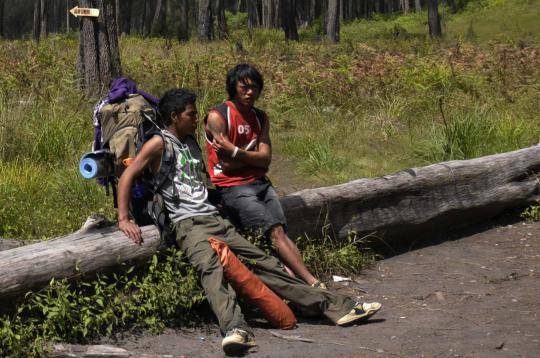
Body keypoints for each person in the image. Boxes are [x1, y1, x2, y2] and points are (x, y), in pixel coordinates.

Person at [117, 88, 381, 355]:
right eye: (191, 114)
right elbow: (129, 175)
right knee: (211, 270)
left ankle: (340, 307)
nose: (196, 118)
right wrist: (124, 218)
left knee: (265, 264)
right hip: (188, 224)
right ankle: (236, 330)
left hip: (214, 218)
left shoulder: (191, 142)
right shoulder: (159, 143)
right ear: (174, 116)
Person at [205, 63, 324, 288]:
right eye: (244, 87)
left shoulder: (260, 117)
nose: (250, 92)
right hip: (233, 186)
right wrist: (251, 157)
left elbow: (266, 159)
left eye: (255, 87)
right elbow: (227, 165)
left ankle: (298, 285)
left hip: (259, 182)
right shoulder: (218, 116)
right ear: (234, 87)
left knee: (281, 232)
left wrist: (236, 151)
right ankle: (312, 282)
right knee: (275, 232)